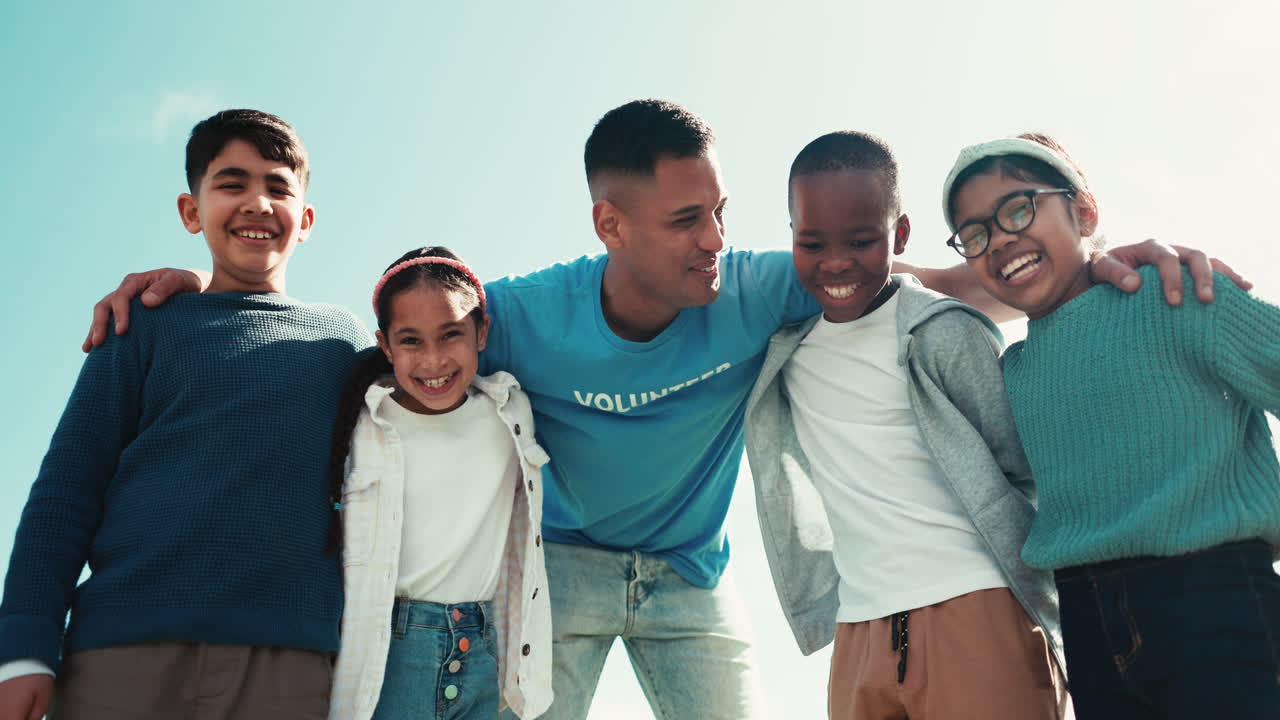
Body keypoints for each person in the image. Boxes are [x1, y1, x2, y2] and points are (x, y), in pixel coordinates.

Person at [78, 100, 1237, 720]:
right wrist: (207, 296)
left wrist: (1101, 262)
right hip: (567, 576)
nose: (714, 241)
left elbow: (899, 275)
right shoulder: (525, 315)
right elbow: (402, 330)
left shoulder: (754, 287)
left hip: (688, 580)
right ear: (609, 225)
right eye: (685, 219)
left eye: (720, 211)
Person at [0, 109, 372, 720]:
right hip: (121, 652)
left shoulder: (342, 341)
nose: (257, 202)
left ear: (305, 221)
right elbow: (67, 491)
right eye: (232, 184)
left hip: (290, 662)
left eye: (279, 188)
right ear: (191, 211)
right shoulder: (142, 324)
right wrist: (24, 648)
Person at [943, 133, 1280, 719]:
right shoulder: (1013, 372)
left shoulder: (1174, 295)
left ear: (1083, 210)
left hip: (1213, 598)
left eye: (1018, 209)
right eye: (976, 235)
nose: (1000, 239)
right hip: (1088, 627)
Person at [744, 131, 1067, 720]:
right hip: (859, 629)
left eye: (861, 241)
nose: (836, 261)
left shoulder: (943, 331)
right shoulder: (786, 353)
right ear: (791, 232)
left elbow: (1023, 466)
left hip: (975, 604)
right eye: (812, 242)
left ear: (900, 236)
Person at [325, 246, 552, 720]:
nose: (433, 361)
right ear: (385, 346)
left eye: (450, 335)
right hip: (390, 651)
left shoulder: (508, 413)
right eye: (410, 341)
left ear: (481, 332)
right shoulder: (365, 425)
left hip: (486, 649)